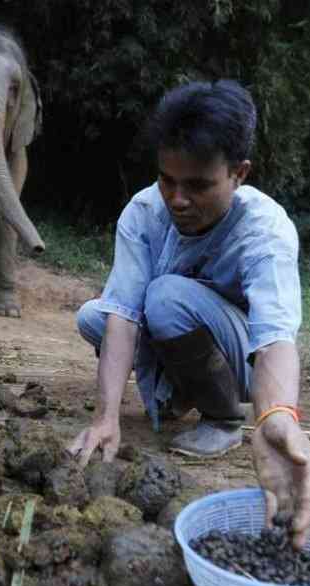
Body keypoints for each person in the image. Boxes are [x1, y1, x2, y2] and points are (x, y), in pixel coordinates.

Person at [68, 79, 310, 548]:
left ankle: (222, 417)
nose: (177, 199)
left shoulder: (265, 230)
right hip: (178, 326)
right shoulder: (144, 212)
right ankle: (178, 391)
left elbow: (275, 338)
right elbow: (120, 313)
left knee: (165, 299)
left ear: (239, 174)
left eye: (198, 185)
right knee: (92, 316)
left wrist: (276, 415)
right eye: (167, 180)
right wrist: (106, 416)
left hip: (241, 359)